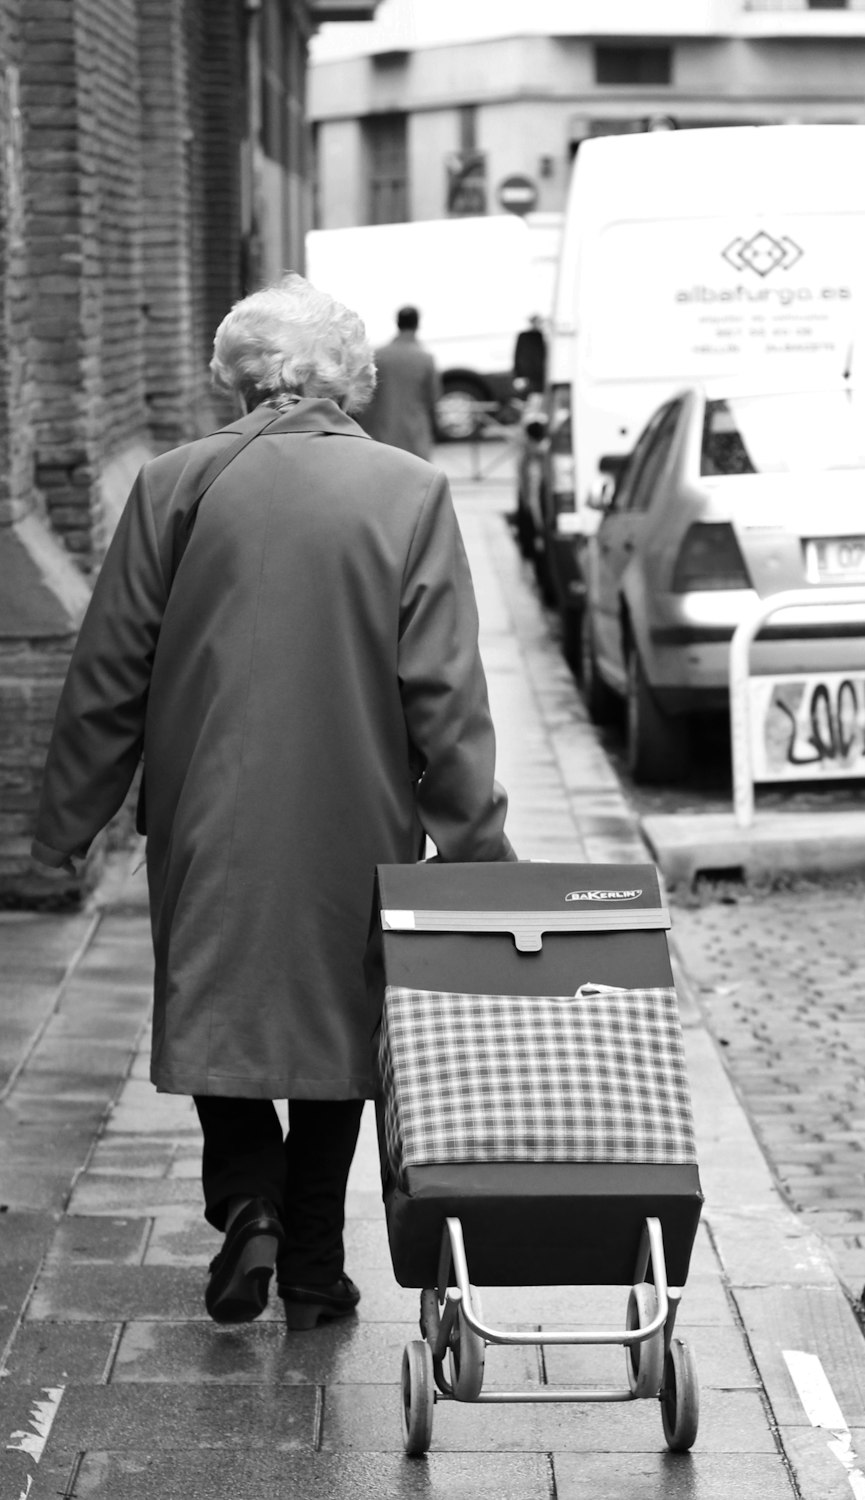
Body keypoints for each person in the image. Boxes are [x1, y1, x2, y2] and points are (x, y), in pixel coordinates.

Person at [31, 272, 515, 1331]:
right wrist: (477, 841)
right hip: (359, 808)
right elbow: (445, 685)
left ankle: (244, 1200)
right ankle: (310, 1261)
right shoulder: (409, 491)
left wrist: (65, 824)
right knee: (341, 1024)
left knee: (221, 1000)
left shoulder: (173, 483)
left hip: (208, 803)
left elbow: (110, 669)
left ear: (238, 379)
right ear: (345, 376)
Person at [361, 304, 440, 459]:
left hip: (383, 433)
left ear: (397, 323)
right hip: (415, 436)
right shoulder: (425, 358)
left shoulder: (379, 355)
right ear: (417, 324)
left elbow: (366, 396)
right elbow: (433, 398)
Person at [512, 314, 547, 397]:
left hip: (540, 376)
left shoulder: (541, 336)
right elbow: (517, 356)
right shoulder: (524, 336)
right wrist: (518, 375)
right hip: (527, 375)